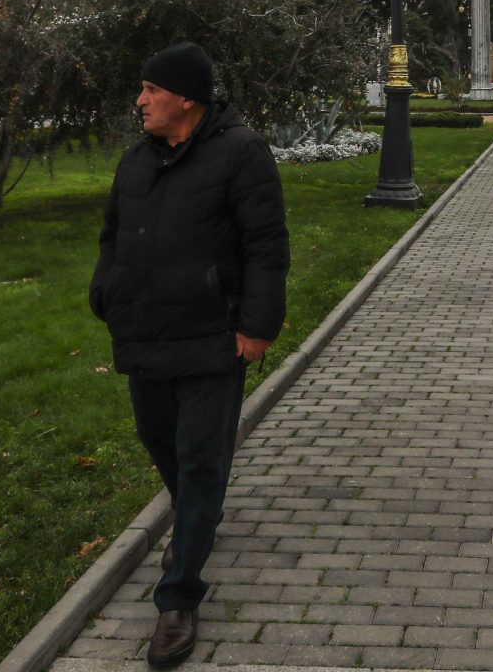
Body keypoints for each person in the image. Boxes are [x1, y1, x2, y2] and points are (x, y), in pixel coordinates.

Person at [89, 42, 288, 669]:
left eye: (151, 89)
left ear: (186, 98)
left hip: (212, 337)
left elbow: (266, 245)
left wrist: (257, 326)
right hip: (144, 334)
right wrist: (106, 292)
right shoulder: (135, 162)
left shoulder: (241, 153)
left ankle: (178, 596)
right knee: (161, 443)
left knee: (201, 461)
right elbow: (111, 236)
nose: (140, 100)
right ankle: (199, 523)